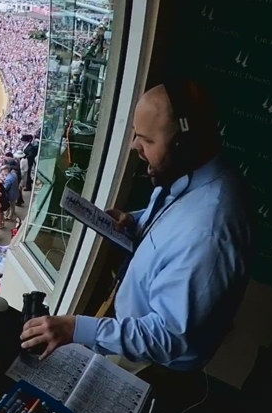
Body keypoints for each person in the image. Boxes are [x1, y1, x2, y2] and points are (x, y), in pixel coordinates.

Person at [20, 80, 251, 373]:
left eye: (147, 140)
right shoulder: (193, 172)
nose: (134, 146)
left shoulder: (209, 235)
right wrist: (137, 221)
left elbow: (168, 336)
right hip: (132, 332)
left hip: (154, 362)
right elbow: (175, 220)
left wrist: (76, 328)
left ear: (184, 144)